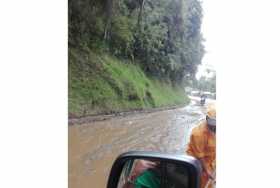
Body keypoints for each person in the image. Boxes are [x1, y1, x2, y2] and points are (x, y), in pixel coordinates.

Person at [186, 104, 216, 188]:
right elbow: (200, 157)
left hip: (210, 160)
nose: (215, 127)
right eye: (213, 124)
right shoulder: (198, 134)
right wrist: (207, 170)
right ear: (207, 119)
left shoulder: (216, 129)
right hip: (197, 162)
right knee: (200, 183)